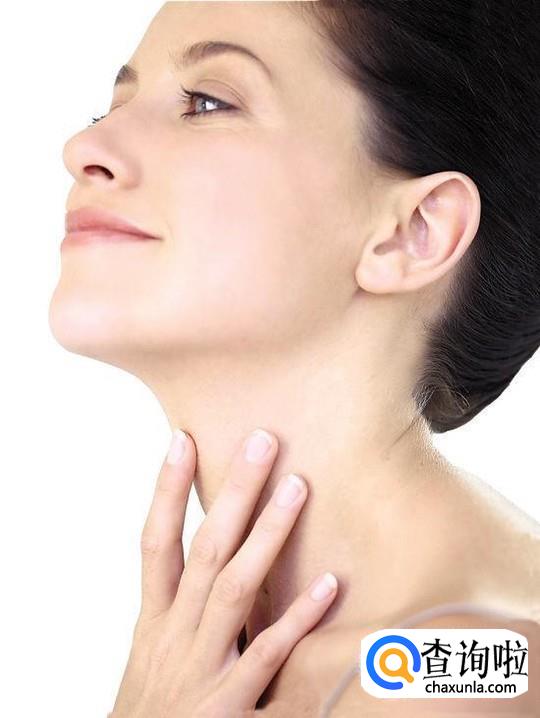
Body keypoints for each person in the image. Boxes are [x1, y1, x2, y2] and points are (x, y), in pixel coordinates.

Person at [50, 1, 540, 715]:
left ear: (414, 232)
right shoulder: (207, 667)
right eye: (111, 108)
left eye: (207, 102)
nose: (84, 147)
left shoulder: (475, 675)